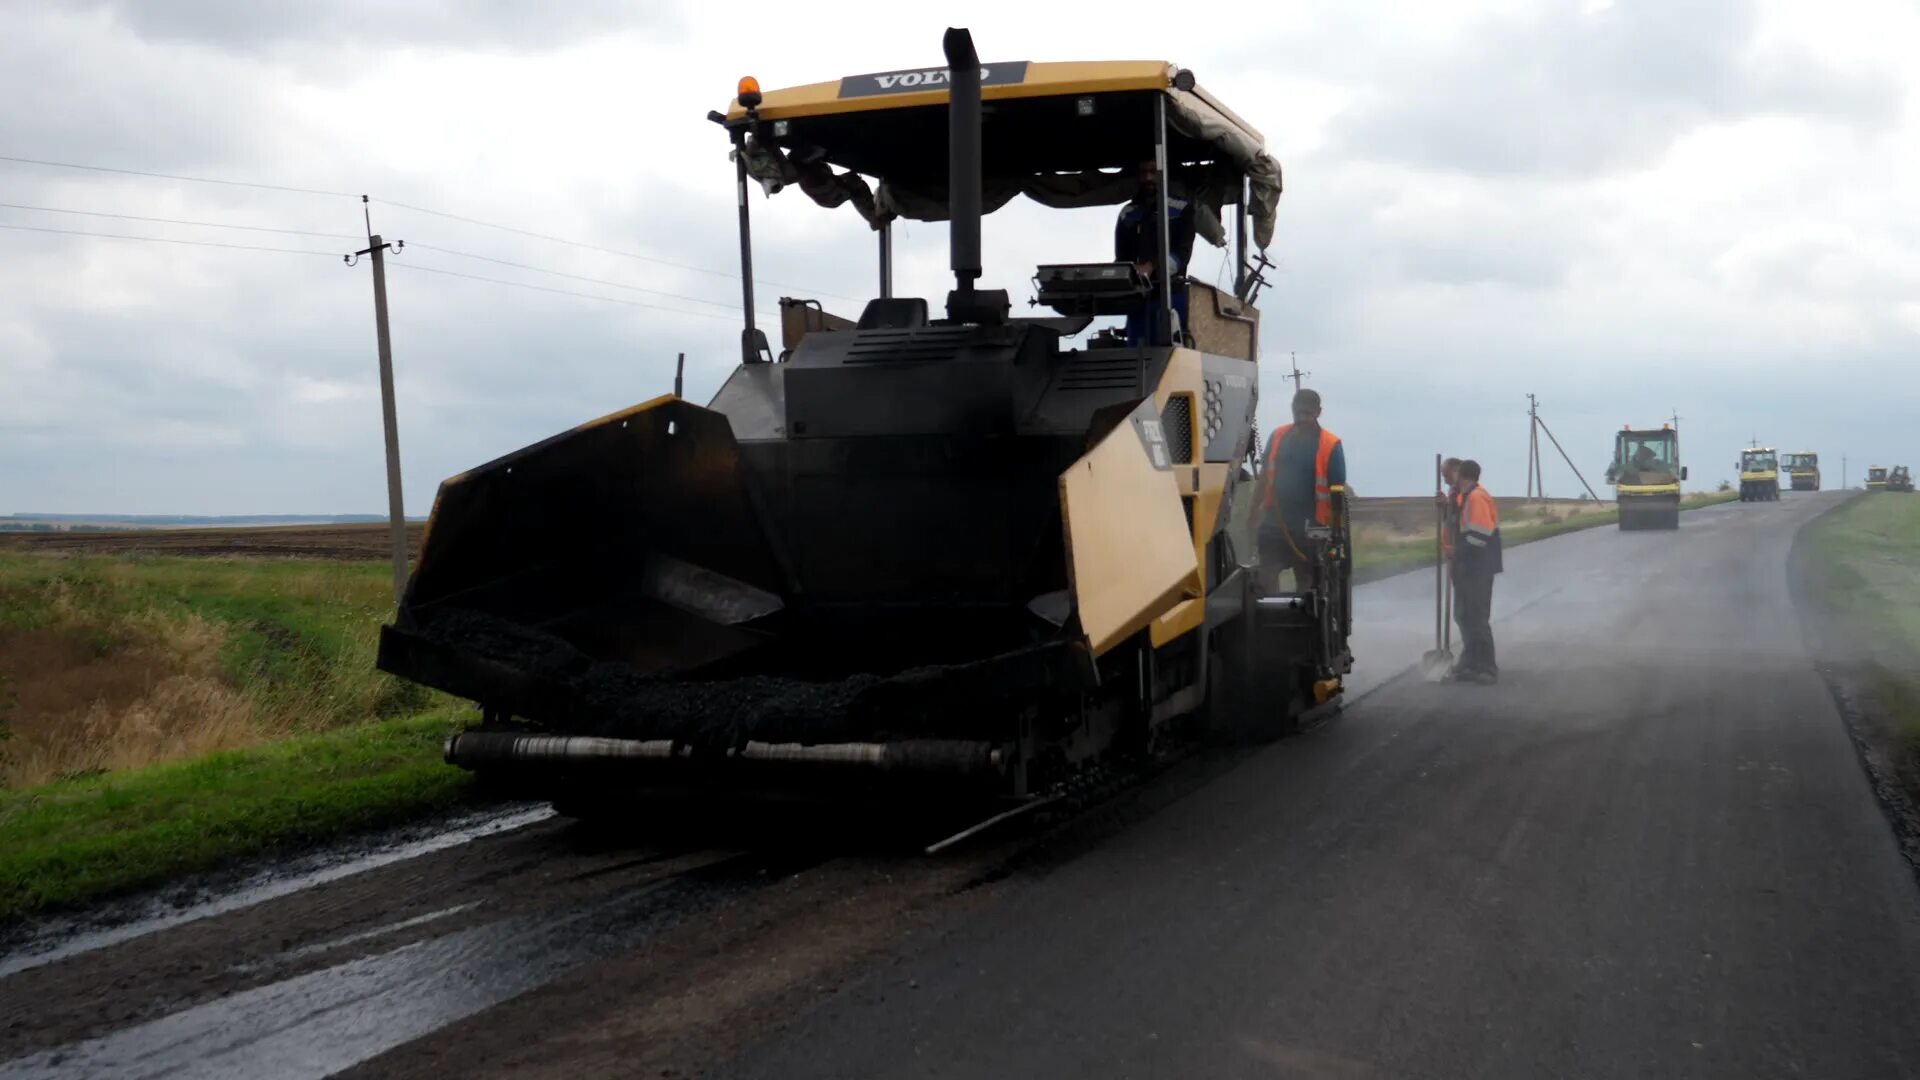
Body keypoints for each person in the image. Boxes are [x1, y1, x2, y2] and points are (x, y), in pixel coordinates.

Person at [1257, 389, 1346, 593]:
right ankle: (1270, 617)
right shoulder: (1278, 437)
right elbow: (1263, 478)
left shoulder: (1331, 445)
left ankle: (1305, 618)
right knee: (1266, 575)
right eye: (1297, 413)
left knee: (1306, 576)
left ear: (1318, 412)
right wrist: (1253, 513)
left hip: (1312, 527)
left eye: (1307, 413)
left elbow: (1337, 494)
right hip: (1275, 521)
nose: (1301, 418)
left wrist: (1336, 531)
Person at [1113, 159, 1195, 347]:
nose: (1148, 178)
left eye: (1153, 172)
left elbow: (1182, 255)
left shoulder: (1182, 209)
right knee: (1135, 358)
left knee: (1170, 359)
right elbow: (1121, 258)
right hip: (1138, 300)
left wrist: (1152, 267)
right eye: (1143, 172)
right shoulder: (1128, 212)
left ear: (1164, 174)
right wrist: (1126, 273)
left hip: (1173, 297)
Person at [1449, 459, 1502, 685]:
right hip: (1471, 566)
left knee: (1477, 618)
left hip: (1478, 566)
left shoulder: (1477, 498)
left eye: (1456, 473)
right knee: (1466, 616)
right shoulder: (1468, 496)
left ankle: (1487, 667)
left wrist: (1458, 552)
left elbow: (1479, 536)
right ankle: (1470, 662)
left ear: (1463, 474)